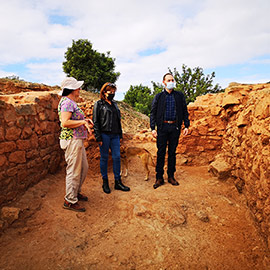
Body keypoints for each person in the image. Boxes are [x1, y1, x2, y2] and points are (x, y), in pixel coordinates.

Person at [58, 77, 92, 212]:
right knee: (74, 170)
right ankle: (70, 200)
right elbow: (65, 122)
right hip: (72, 140)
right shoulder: (67, 103)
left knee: (83, 168)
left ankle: (75, 193)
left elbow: (73, 119)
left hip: (76, 139)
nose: (80, 89)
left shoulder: (70, 102)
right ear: (72, 89)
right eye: (78, 87)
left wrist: (85, 120)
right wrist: (83, 123)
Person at [150, 73, 190, 189]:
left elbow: (184, 111)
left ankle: (171, 176)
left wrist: (186, 125)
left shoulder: (179, 96)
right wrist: (153, 128)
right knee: (161, 152)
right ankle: (159, 177)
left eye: (172, 80)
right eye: (169, 80)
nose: (171, 82)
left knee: (172, 152)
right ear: (164, 82)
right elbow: (153, 113)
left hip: (175, 128)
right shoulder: (159, 97)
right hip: (162, 128)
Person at [93, 82, 130, 194]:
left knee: (117, 157)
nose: (113, 93)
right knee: (104, 158)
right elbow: (96, 121)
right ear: (104, 92)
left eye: (114, 91)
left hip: (115, 135)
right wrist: (98, 137)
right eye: (110, 91)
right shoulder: (98, 104)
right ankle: (105, 182)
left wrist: (120, 135)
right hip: (104, 135)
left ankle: (118, 182)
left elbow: (118, 120)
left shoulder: (115, 104)